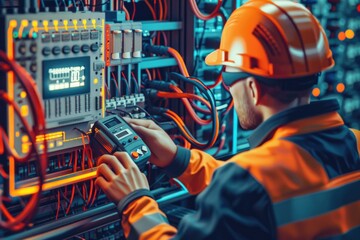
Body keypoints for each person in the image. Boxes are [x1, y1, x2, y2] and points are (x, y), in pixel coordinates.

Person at [95, 0, 360, 239]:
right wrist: (178, 159)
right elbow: (270, 189)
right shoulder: (354, 143)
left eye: (228, 77)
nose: (229, 90)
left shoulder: (251, 181)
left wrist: (136, 201)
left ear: (253, 89)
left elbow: (252, 189)